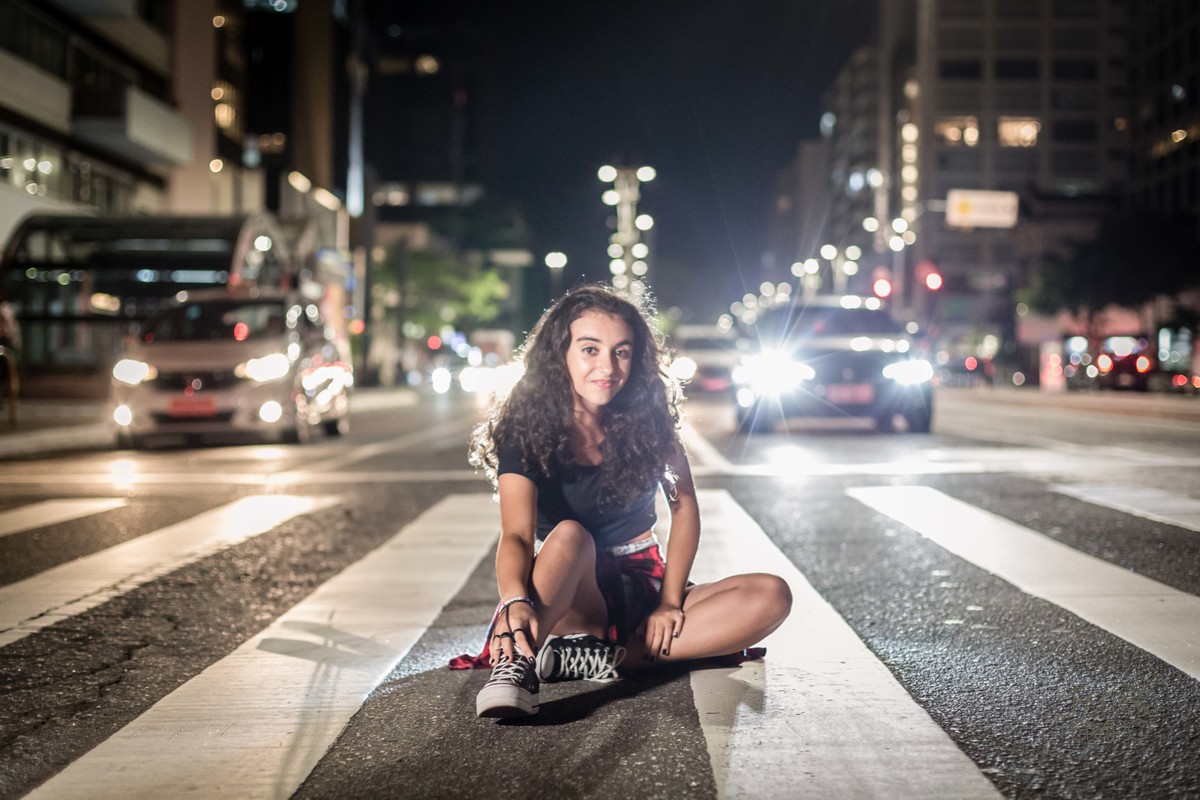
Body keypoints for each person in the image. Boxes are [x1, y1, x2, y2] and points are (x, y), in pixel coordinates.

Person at [455, 284, 792, 719]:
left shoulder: (647, 419)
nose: (607, 367)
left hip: (642, 581)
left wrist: (670, 603)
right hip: (573, 592)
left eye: (622, 352)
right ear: (561, 355)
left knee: (770, 594)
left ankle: (608, 658)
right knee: (571, 535)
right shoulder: (525, 427)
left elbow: (684, 506)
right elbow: (517, 534)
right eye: (590, 350)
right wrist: (514, 599)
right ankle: (517, 662)